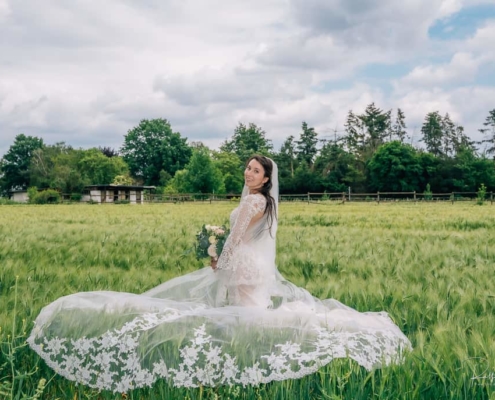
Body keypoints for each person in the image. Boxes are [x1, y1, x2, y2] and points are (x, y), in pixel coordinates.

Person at [28, 155, 412, 393]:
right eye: (247, 167)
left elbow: (237, 239)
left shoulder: (253, 201)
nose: (248, 172)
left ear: (266, 178)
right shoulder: (261, 200)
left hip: (241, 263)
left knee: (241, 316)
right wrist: (221, 250)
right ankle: (250, 350)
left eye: (256, 169)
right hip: (252, 265)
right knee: (243, 315)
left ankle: (253, 354)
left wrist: (218, 260)